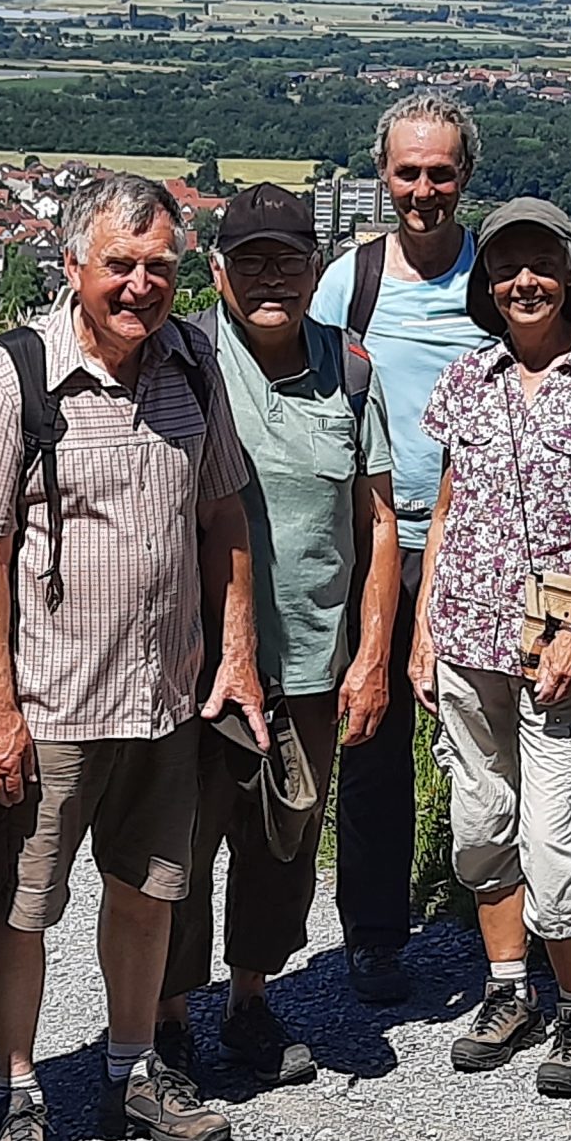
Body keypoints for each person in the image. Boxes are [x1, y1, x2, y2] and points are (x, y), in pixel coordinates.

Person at [0, 171, 268, 1141]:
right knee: (24, 905)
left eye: (160, 268)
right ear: (74, 268)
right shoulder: (16, 377)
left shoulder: (193, 364)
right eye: (120, 267)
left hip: (164, 695)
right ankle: (17, 1094)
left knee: (147, 895)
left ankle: (131, 1065)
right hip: (52, 703)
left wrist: (234, 655)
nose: (140, 287)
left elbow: (222, 518)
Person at [411, 198, 571, 1099]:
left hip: (564, 642)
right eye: (505, 266)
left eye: (541, 265)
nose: (524, 282)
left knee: (554, 837)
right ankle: (508, 991)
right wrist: (422, 631)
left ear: (570, 275)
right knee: (481, 825)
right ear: (486, 282)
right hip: (468, 630)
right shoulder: (467, 380)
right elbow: (446, 513)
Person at [158, 182, 399, 1085]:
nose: (270, 280)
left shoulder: (352, 369)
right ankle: (167, 1018)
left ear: (314, 271)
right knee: (179, 844)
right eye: (250, 261)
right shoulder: (182, 357)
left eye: (288, 262)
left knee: (283, 843)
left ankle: (249, 1000)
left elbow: (379, 520)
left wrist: (372, 655)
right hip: (193, 661)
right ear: (217, 272)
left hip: (308, 658)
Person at [308, 90, 490, 1004]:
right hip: (373, 537)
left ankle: (506, 928)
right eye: (408, 172)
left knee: (488, 739)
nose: (424, 190)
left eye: (440, 172)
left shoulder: (495, 279)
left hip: (480, 545)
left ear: (466, 177)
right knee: (372, 738)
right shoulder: (352, 281)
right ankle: (376, 935)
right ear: (384, 176)